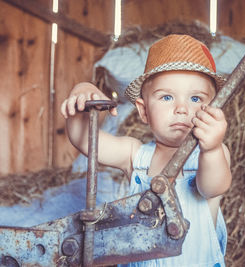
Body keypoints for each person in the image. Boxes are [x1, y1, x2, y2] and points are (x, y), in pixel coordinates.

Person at [61, 34, 232, 267]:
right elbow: (85, 141)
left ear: (213, 110)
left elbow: (213, 187)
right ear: (143, 111)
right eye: (167, 97)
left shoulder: (212, 155)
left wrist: (211, 148)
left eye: (195, 98)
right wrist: (82, 92)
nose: (182, 108)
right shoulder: (136, 156)